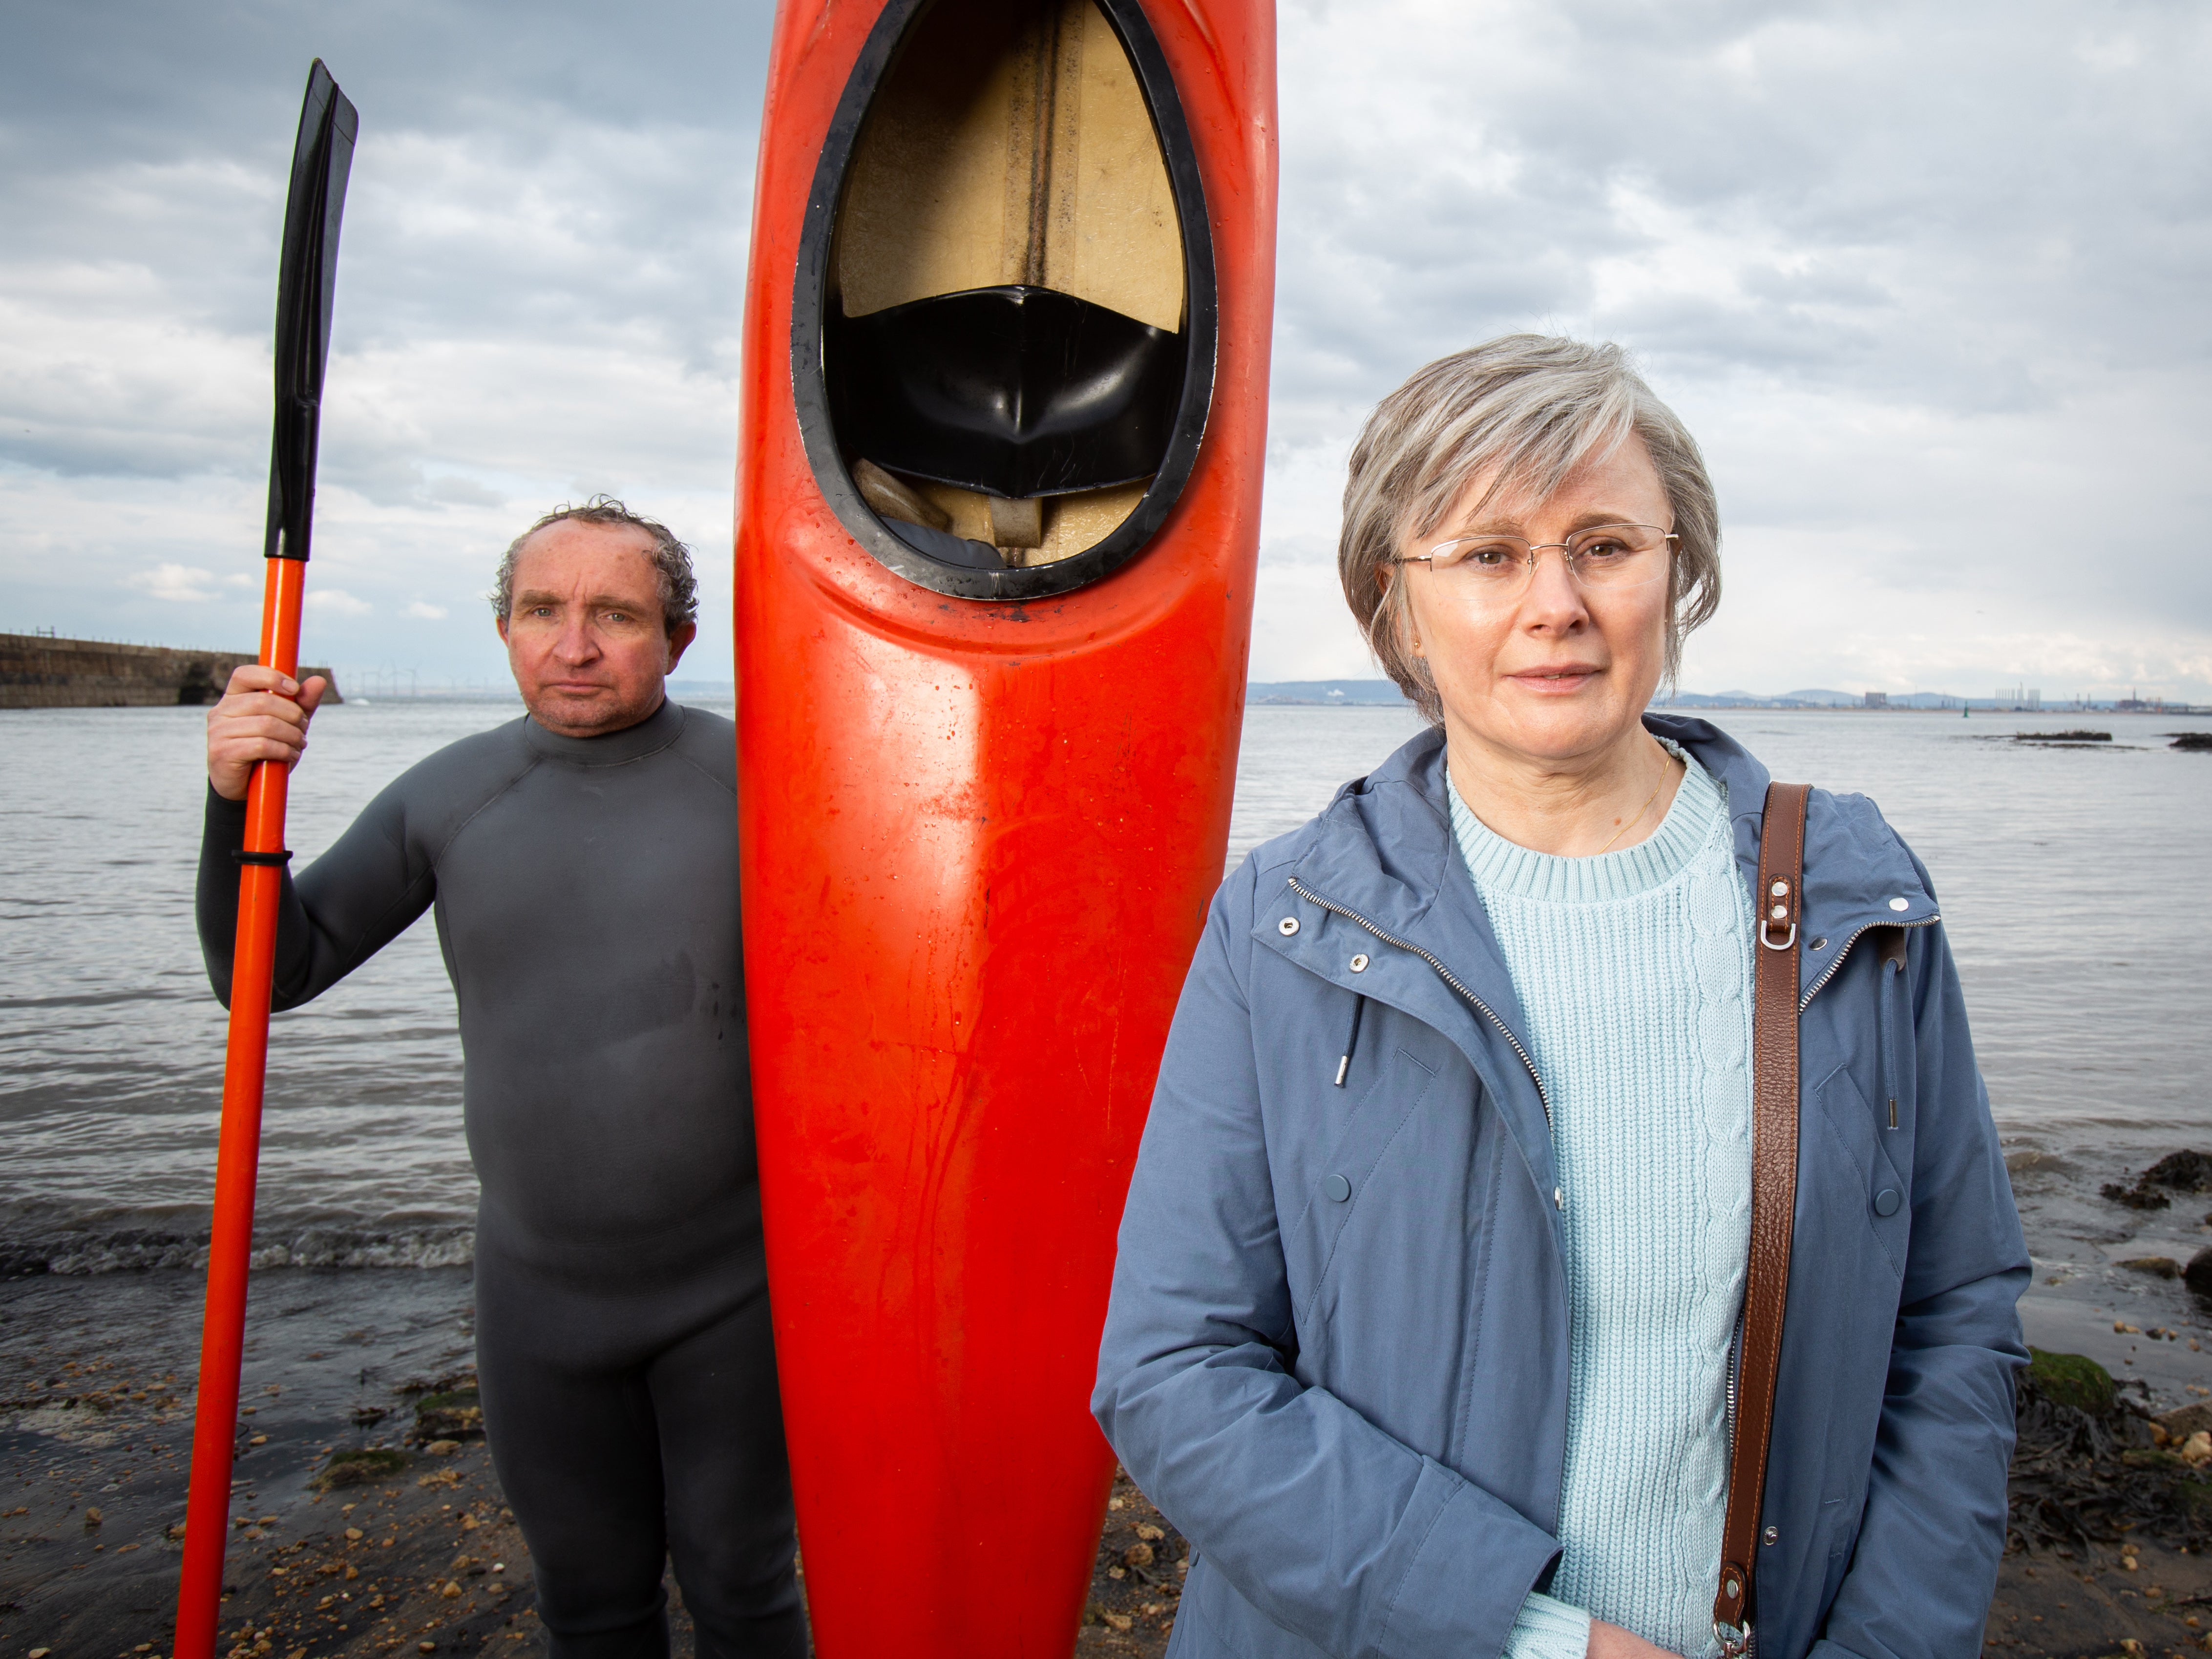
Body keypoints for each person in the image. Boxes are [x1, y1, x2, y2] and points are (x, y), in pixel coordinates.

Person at [1092, 337, 2027, 1659]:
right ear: (1394, 599)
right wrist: (1535, 1636)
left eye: (1602, 544)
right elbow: (1175, 1366)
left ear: (1677, 571)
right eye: (1486, 553)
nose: (1554, 602)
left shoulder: (1849, 897)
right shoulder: (1287, 922)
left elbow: (1955, 1312)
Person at [197, 500, 804, 1659]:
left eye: (615, 615)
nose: (573, 645)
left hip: (741, 1290)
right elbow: (266, 971)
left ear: (679, 638)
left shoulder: (771, 779)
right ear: (503, 628)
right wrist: (234, 802)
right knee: (590, 1600)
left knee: (742, 1585)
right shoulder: (448, 796)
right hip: (539, 1298)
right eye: (543, 611)